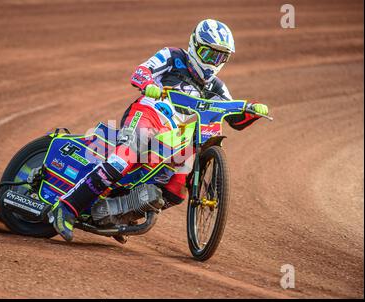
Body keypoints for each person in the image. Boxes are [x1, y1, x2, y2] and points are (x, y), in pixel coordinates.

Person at [49, 19, 269, 241]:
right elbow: (142, 71)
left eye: (220, 56)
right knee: (126, 156)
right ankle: (66, 207)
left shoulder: (216, 87)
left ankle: (119, 213)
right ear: (194, 44)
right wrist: (149, 85)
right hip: (149, 113)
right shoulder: (173, 57)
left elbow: (233, 118)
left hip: (174, 134)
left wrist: (250, 112)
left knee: (176, 188)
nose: (213, 62)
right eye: (208, 53)